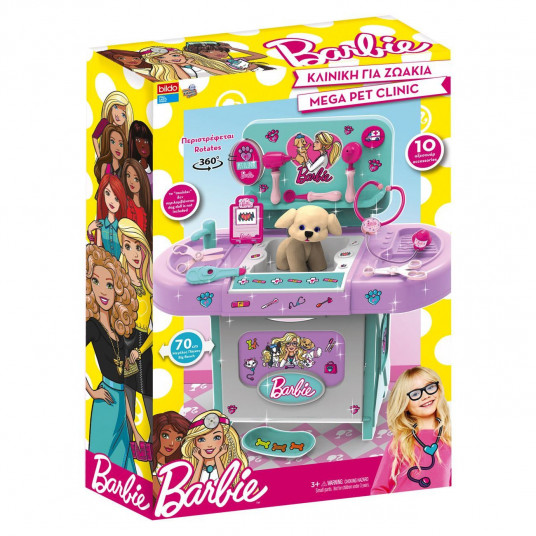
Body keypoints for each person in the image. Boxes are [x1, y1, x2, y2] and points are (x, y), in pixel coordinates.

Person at [85, 244, 143, 471]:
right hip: (105, 403)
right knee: (101, 462)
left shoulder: (118, 333)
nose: (103, 291)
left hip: (120, 401)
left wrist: (135, 429)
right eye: (96, 281)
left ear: (118, 288)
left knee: (125, 465)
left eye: (109, 284)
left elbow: (122, 383)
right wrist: (92, 392)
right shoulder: (92, 326)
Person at [371, 366, 452, 494]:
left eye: (430, 387)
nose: (425, 396)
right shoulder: (401, 441)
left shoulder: (449, 437)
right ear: (405, 404)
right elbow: (379, 488)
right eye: (415, 394)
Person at [118, 218, 154, 442]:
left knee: (149, 395)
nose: (135, 253)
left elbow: (155, 329)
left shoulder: (149, 285)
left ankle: (153, 444)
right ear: (122, 249)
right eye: (128, 246)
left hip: (143, 344)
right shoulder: (119, 285)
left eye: (138, 246)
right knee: (128, 398)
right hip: (124, 340)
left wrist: (141, 350)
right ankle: (128, 446)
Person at [181, 410, 248, 486]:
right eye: (201, 439)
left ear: (224, 439)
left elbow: (226, 487)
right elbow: (191, 489)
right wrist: (200, 461)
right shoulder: (190, 467)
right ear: (194, 442)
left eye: (216, 437)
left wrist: (217, 459)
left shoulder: (231, 467)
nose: (209, 445)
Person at [152, 411, 191, 500]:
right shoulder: (151, 466)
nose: (172, 443)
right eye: (165, 435)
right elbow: (161, 497)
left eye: (178, 438)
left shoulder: (178, 466)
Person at [87, 174, 127, 260]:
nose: (112, 201)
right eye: (107, 193)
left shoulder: (122, 227)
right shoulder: (100, 225)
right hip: (105, 265)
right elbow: (98, 251)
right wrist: (90, 231)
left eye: (116, 199)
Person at [91, 91, 133, 158]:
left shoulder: (122, 131)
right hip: (105, 156)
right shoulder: (104, 123)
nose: (118, 115)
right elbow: (94, 137)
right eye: (116, 108)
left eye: (123, 114)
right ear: (111, 106)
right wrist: (99, 156)